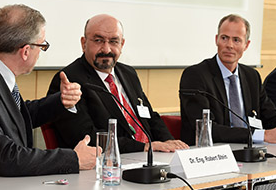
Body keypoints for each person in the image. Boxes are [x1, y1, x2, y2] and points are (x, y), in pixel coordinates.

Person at [0, 4, 99, 177]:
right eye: (42, 46)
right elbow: (4, 157)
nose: (41, 52)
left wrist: (61, 101)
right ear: (26, 51)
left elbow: (15, 115)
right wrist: (73, 159)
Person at [47, 14, 188, 153]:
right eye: (98, 40)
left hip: (148, 158)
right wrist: (143, 147)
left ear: (122, 44)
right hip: (108, 163)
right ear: (84, 43)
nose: (106, 49)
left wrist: (168, 141)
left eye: (114, 41)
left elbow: (149, 116)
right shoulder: (69, 80)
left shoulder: (128, 73)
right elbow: (85, 137)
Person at [179, 14, 276, 145]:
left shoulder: (251, 76)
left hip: (251, 150)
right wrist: (263, 135)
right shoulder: (195, 75)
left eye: (236, 40)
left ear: (246, 45)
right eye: (224, 38)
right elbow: (206, 129)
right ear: (216, 40)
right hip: (213, 153)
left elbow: (271, 116)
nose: (229, 45)